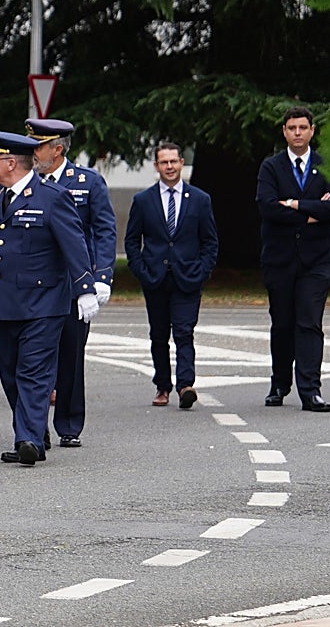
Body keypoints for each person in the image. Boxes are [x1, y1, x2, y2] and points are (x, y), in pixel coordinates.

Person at [0, 131, 98, 466]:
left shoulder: (52, 197)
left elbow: (75, 245)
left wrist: (85, 287)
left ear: (11, 162)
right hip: (5, 303)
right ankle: (34, 429)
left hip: (45, 303)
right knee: (10, 373)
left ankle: (27, 438)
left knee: (34, 371)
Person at [25, 118, 117, 448]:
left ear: (57, 149)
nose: (33, 153)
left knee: (71, 353)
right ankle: (36, 428)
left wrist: (102, 276)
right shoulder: (28, 182)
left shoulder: (87, 182)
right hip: (39, 281)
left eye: (39, 146)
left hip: (76, 282)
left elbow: (104, 230)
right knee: (38, 356)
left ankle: (68, 423)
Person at [255, 105, 330, 412]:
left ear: (311, 131)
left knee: (309, 323)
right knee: (282, 323)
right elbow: (267, 207)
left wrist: (292, 204)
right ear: (284, 131)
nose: (297, 133)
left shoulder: (326, 165)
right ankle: (279, 383)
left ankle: (310, 390)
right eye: (291, 128)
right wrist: (309, 210)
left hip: (316, 261)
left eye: (302, 128)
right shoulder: (271, 167)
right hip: (279, 260)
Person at [125, 142, 219, 408]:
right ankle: (162, 386)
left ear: (181, 163)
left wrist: (202, 271)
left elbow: (210, 241)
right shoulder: (143, 200)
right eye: (164, 162)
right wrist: (141, 270)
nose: (169, 167)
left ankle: (185, 385)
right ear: (157, 166)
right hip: (155, 278)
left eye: (174, 162)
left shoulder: (200, 199)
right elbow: (132, 241)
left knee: (184, 332)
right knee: (158, 335)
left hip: (188, 278)